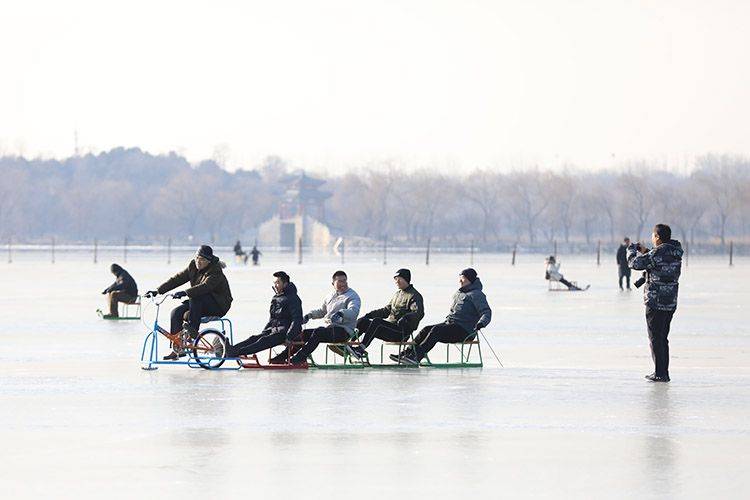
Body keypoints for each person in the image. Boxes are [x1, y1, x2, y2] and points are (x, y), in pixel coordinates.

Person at [145, 245, 233, 360]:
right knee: (176, 312)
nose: (198, 262)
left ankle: (193, 331)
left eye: (202, 260)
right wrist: (158, 291)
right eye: (197, 258)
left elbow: (205, 287)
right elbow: (177, 279)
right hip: (198, 302)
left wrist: (185, 292)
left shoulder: (215, 271)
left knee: (195, 296)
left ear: (209, 261)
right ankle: (178, 349)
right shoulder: (193, 266)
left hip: (218, 305)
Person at [395, 268, 491, 365]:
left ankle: (416, 356)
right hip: (451, 325)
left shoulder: (477, 295)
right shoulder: (460, 293)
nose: (460, 281)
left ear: (470, 279)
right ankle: (407, 353)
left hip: (465, 331)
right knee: (426, 329)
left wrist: (481, 323)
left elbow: (486, 312)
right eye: (460, 278)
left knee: (436, 331)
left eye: (463, 278)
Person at [628, 224, 683, 383]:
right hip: (670, 301)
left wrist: (631, 250)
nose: (652, 238)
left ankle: (660, 374)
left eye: (653, 235)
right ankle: (662, 372)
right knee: (663, 338)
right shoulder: (675, 251)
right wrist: (645, 251)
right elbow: (659, 259)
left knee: (655, 338)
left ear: (658, 237)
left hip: (655, 301)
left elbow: (635, 264)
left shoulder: (657, 253)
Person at [272, 270, 361, 365]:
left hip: (343, 331)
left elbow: (354, 311)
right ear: (333, 283)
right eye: (340, 281)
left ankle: (300, 357)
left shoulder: (352, 296)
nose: (343, 284)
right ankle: (282, 357)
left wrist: (341, 313)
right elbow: (322, 311)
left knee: (318, 332)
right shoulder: (330, 296)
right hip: (329, 329)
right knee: (303, 334)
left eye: (345, 281)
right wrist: (309, 315)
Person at [343, 268, 424, 360]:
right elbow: (386, 311)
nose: (396, 281)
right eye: (395, 279)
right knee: (363, 321)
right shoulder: (397, 294)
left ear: (406, 279)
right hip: (389, 328)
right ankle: (348, 345)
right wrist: (369, 315)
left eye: (399, 278)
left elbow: (418, 313)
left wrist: (406, 318)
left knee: (377, 322)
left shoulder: (414, 295)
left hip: (400, 332)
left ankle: (360, 349)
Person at [224, 271, 303, 359]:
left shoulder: (293, 298)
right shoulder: (276, 297)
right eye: (275, 283)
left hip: (286, 333)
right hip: (275, 330)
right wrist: (265, 331)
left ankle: (235, 352)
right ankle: (232, 349)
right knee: (254, 338)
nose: (275, 285)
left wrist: (289, 336)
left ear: (285, 284)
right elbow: (272, 318)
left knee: (263, 341)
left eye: (278, 283)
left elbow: (297, 319)